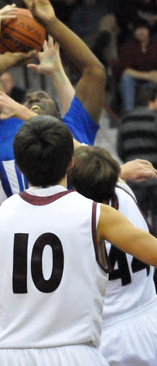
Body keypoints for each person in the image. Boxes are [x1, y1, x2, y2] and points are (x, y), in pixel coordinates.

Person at [0, 115, 157, 366]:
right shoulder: (95, 214)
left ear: (19, 164)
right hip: (73, 352)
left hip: (6, 355)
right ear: (70, 162)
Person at [0, 0, 106, 197]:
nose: (34, 97)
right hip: (25, 228)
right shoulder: (7, 133)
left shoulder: (73, 130)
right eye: (27, 100)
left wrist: (52, 23)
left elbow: (95, 71)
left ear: (59, 115)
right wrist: (15, 55)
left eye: (43, 97)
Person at [68, 145, 157, 365]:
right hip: (150, 318)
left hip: (108, 337)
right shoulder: (124, 189)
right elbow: (91, 158)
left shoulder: (71, 223)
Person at [117, 87, 157, 236]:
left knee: (139, 221)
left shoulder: (125, 120)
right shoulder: (154, 118)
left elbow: (120, 149)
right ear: (151, 100)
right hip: (155, 178)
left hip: (134, 180)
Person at [69, 0, 118, 66]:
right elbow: (77, 29)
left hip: (102, 35)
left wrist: (114, 28)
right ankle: (111, 66)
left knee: (110, 20)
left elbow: (111, 22)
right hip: (88, 38)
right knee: (108, 33)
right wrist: (98, 27)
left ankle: (99, 49)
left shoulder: (102, 8)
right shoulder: (78, 11)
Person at [117, 19, 157, 112]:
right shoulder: (128, 46)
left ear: (148, 31)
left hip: (153, 81)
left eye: (144, 29)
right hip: (135, 81)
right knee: (126, 78)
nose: (141, 32)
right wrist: (149, 75)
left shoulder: (155, 45)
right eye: (138, 29)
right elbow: (126, 70)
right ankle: (129, 112)